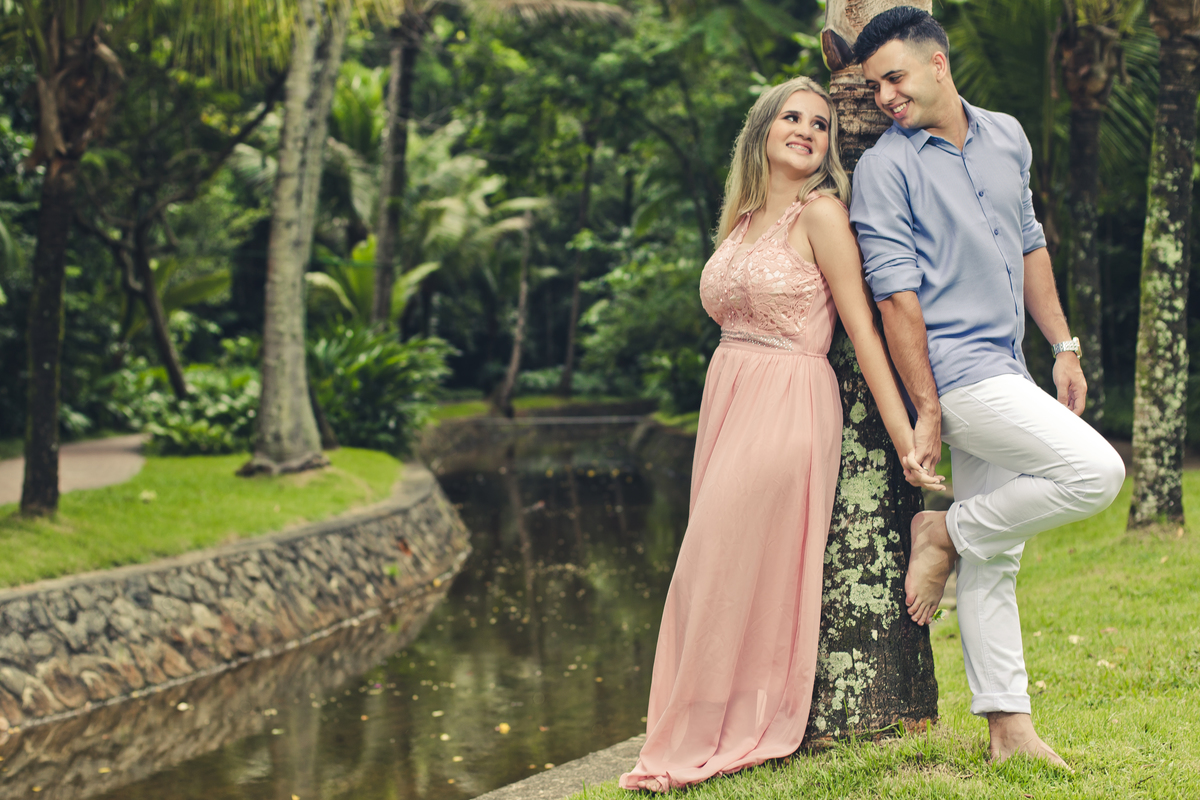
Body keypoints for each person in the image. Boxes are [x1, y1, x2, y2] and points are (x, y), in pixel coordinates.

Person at [619, 75, 942, 793]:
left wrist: (907, 435)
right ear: (762, 130)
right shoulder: (740, 221)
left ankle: (722, 730)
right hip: (727, 402)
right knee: (713, 569)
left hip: (789, 400)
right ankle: (697, 721)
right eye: (792, 117)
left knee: (718, 563)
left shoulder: (820, 214)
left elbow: (863, 331)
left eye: (821, 124)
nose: (807, 130)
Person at [849, 7, 1127, 769]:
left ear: (937, 64)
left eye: (895, 78)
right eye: (875, 87)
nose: (886, 97)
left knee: (995, 556)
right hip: (956, 379)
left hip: (1010, 366)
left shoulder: (1007, 135)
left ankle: (1009, 727)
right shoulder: (886, 168)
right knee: (1097, 472)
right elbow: (895, 297)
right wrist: (927, 407)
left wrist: (1063, 347)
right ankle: (943, 533)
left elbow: (1030, 243)